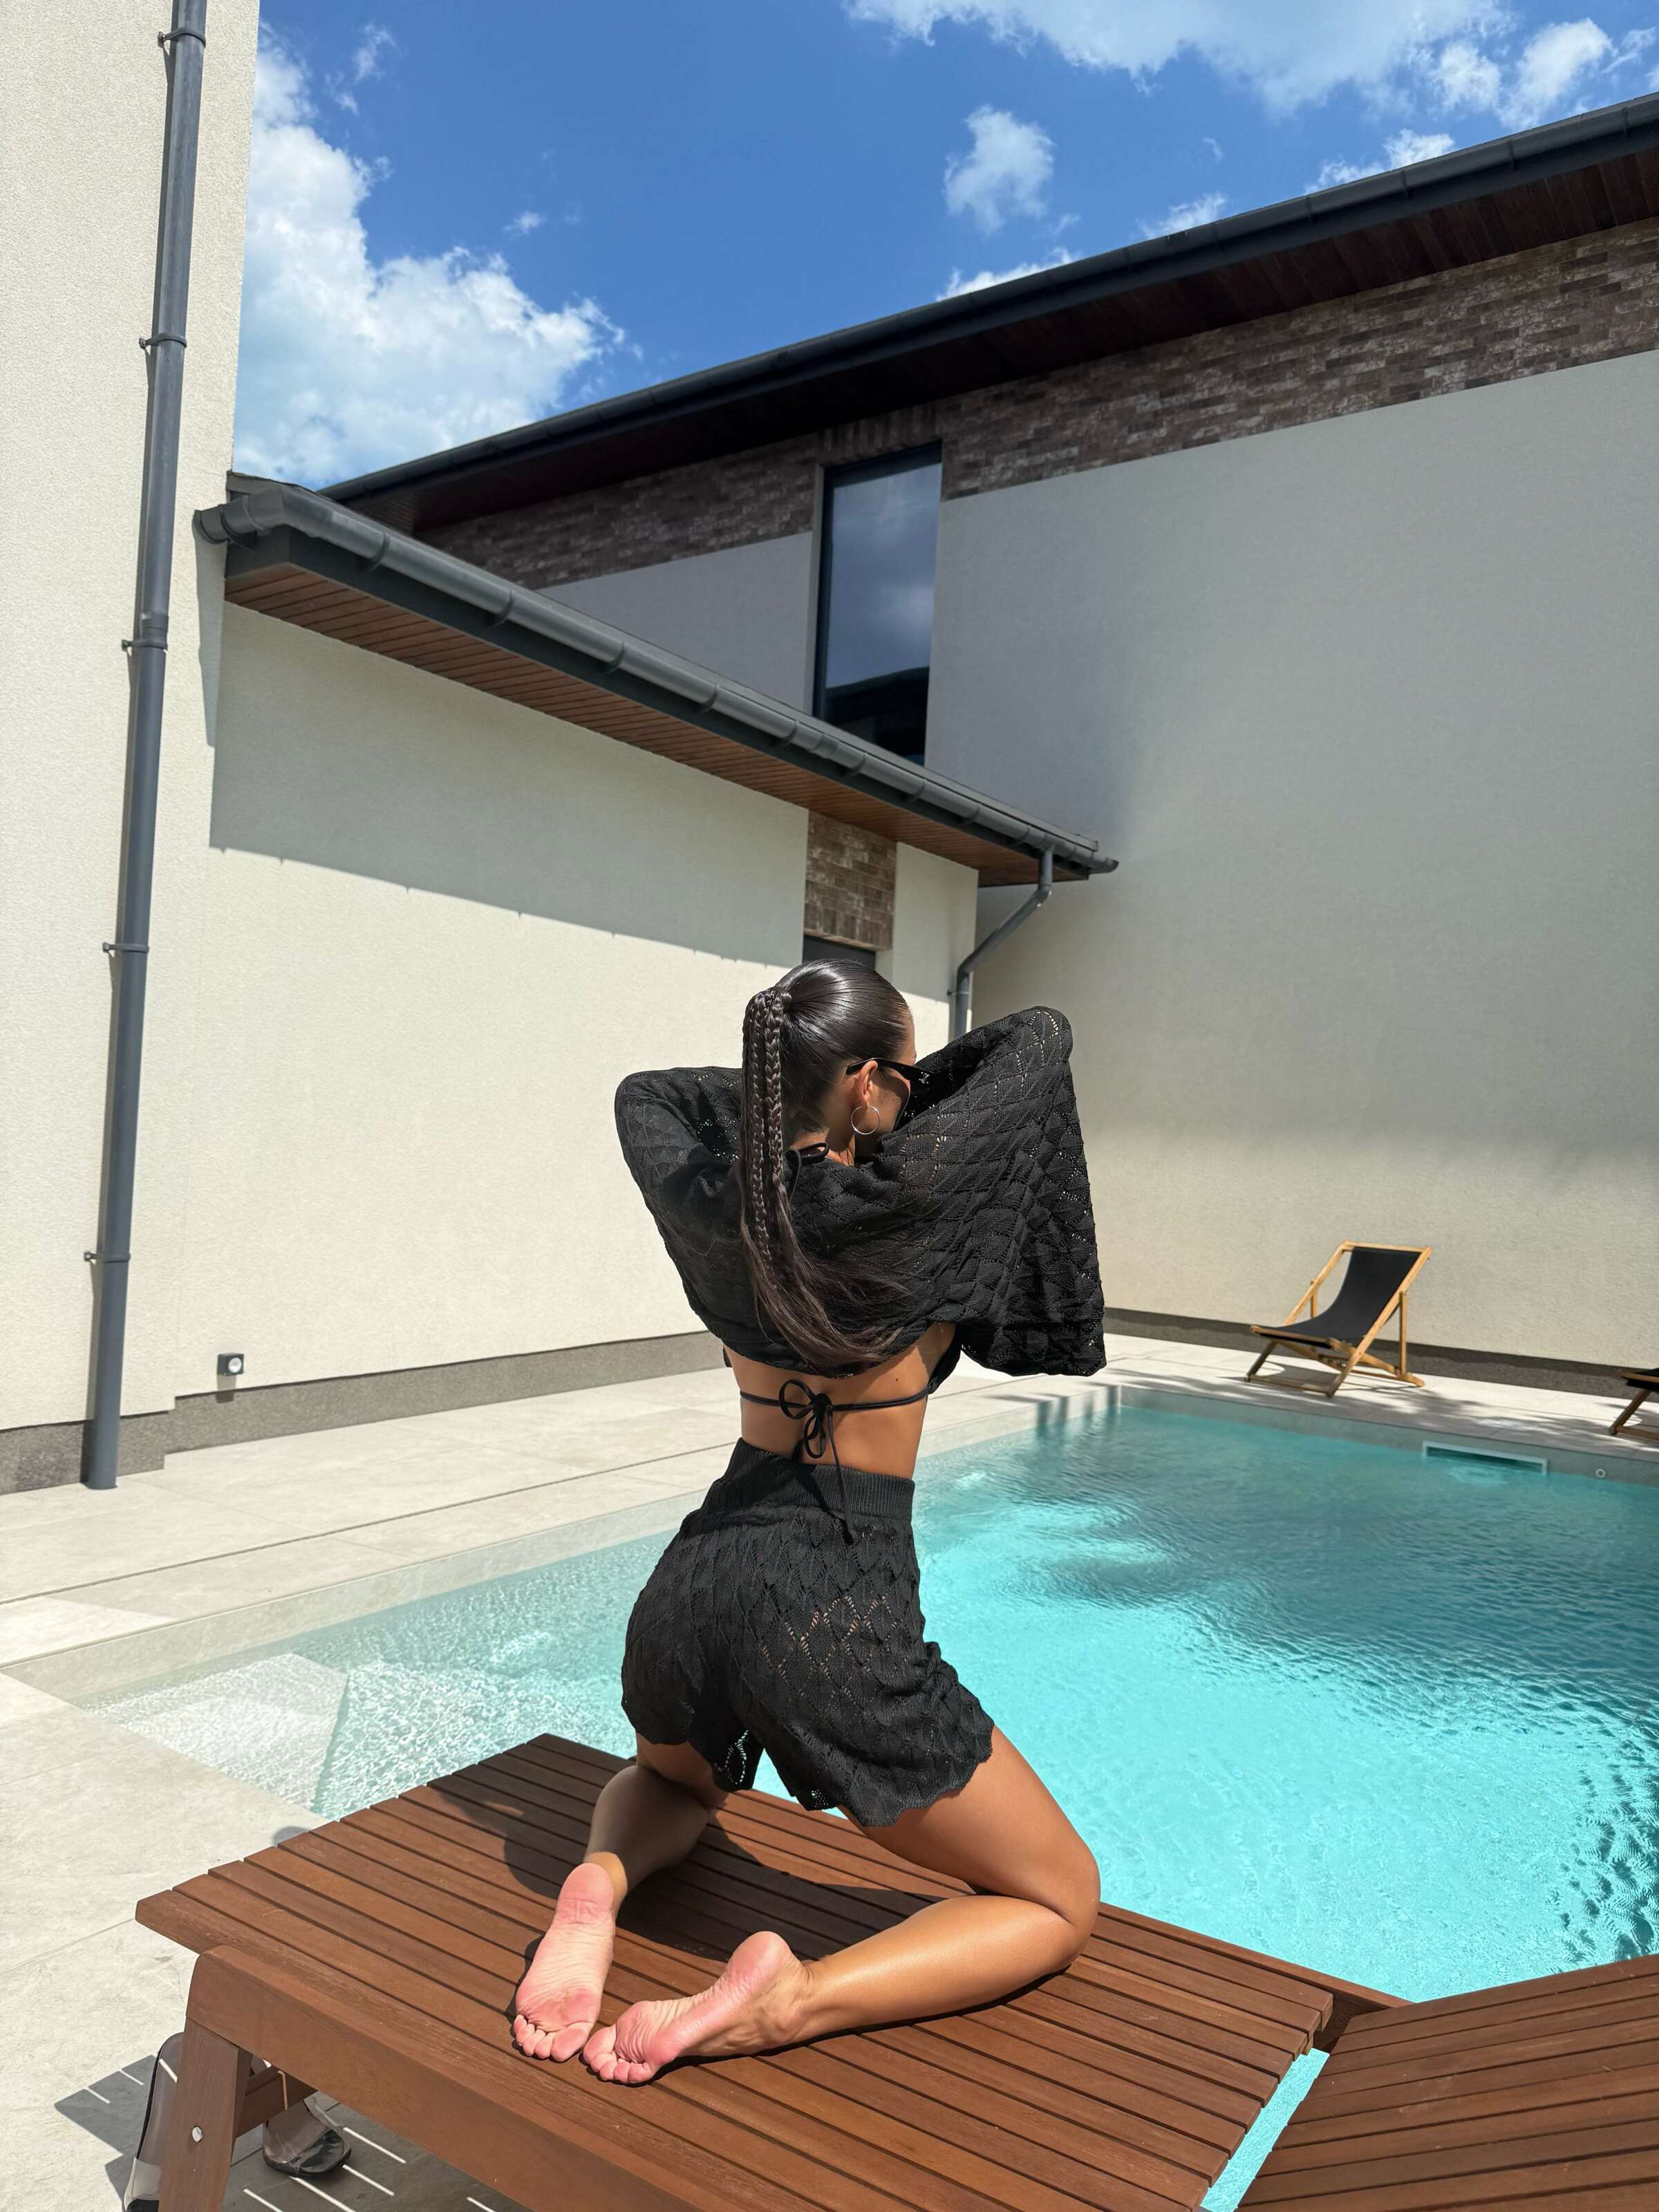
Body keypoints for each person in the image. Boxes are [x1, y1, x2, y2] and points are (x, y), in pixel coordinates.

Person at [513, 961, 1106, 2084]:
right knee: (1057, 1897)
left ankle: (599, 1880)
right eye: (899, 1081)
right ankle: (795, 1997)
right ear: (872, 1083)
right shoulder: (916, 1228)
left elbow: (649, 1094)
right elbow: (1037, 1038)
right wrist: (881, 1105)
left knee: (675, 1783)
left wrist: (787, 1077)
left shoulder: (720, 1216)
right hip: (831, 1601)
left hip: (694, 1580)